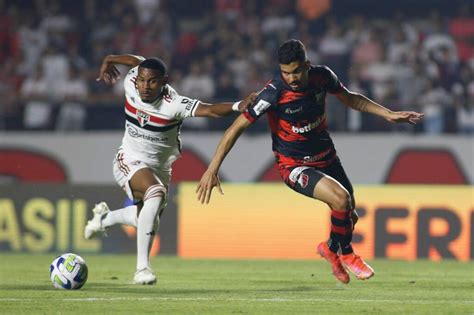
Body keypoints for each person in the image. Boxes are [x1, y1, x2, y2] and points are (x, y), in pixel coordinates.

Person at [196, 40, 424, 284]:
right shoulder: (273, 93)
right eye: (285, 72)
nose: (291, 78)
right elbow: (236, 127)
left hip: (326, 156)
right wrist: (212, 168)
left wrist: (388, 114)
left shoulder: (322, 76)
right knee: (341, 199)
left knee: (349, 215)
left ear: (307, 65)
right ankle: (347, 254)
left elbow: (350, 98)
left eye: (296, 71)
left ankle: (329, 249)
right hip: (294, 164)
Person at [84, 54, 256, 285]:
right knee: (155, 193)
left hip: (160, 168)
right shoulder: (132, 80)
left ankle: (104, 219)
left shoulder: (173, 104)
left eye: (152, 81)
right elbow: (138, 61)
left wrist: (238, 106)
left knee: (146, 218)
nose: (145, 86)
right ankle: (141, 269)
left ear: (164, 81)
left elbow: (210, 110)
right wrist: (109, 59)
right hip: (129, 158)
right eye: (142, 81)